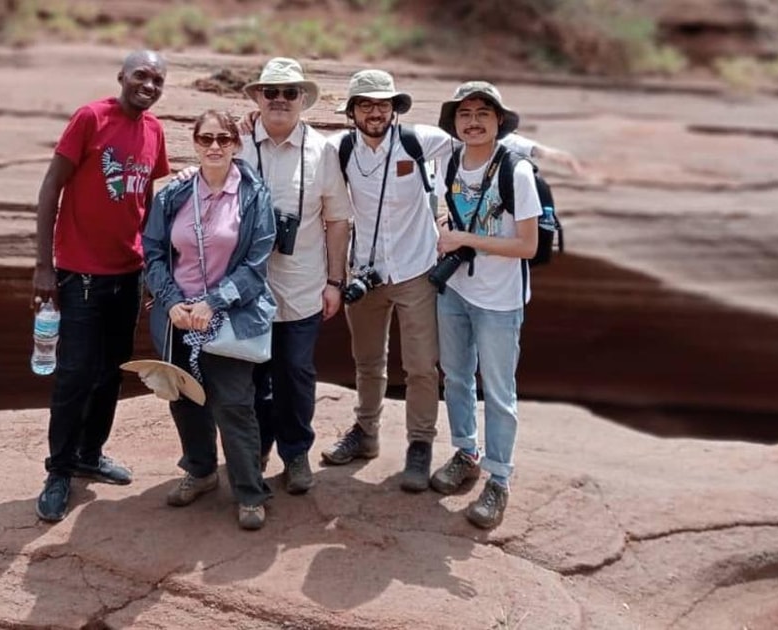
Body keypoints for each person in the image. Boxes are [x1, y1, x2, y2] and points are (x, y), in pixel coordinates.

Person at [320, 69, 572, 493]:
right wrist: (250, 126)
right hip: (364, 272)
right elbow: (301, 152)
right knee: (367, 361)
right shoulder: (338, 148)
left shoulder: (419, 141)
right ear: (352, 112)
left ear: (395, 108)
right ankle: (366, 433)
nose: (375, 112)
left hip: (417, 272)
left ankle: (420, 444)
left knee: (421, 367)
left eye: (383, 104)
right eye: (365, 104)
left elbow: (484, 139)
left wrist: (542, 150)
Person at [31, 50, 170, 523]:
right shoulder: (91, 118)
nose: (148, 85)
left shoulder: (154, 131)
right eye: (140, 75)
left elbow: (151, 198)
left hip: (127, 274)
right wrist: (43, 266)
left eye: (157, 79)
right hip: (80, 275)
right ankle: (60, 470)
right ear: (122, 77)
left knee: (111, 371)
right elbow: (51, 187)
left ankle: (91, 453)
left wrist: (153, 266)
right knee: (74, 374)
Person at [142, 110, 277, 531]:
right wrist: (171, 302)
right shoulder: (174, 194)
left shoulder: (254, 195)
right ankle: (200, 471)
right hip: (178, 317)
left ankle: (250, 491)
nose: (214, 146)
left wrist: (213, 303)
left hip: (230, 318)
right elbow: (154, 252)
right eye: (205, 139)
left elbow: (256, 265)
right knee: (183, 398)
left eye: (223, 138)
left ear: (236, 143)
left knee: (234, 404)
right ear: (195, 143)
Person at [428, 81, 541, 529]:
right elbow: (442, 204)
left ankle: (498, 478)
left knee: (497, 391)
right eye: (464, 115)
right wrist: (444, 225)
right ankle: (465, 452)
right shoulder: (451, 161)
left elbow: (528, 246)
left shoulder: (517, 172)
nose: (473, 122)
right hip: (457, 289)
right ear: (455, 123)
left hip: (498, 300)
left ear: (498, 122)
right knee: (455, 377)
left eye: (482, 114)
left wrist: (464, 240)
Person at [238, 58, 352, 495]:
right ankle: (256, 449)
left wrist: (335, 282)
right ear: (258, 98)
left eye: (290, 93)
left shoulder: (322, 151)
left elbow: (337, 220)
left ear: (303, 99)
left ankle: (296, 453)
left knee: (296, 374)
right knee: (251, 375)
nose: (280, 100)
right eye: (272, 92)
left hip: (303, 284)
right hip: (248, 287)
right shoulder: (240, 144)